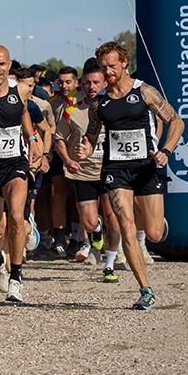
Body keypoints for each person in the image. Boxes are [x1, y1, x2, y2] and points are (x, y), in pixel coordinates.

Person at [78, 41, 183, 310]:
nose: (108, 71)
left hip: (146, 167)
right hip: (116, 169)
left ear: (124, 63)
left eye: (112, 66)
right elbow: (91, 136)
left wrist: (166, 151)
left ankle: (154, 222)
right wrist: (84, 148)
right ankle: (145, 289)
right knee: (125, 223)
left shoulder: (144, 92)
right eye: (103, 67)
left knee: (155, 233)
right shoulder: (99, 103)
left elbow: (176, 121)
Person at [0, 45, 42, 303]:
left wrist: (32, 138)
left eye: (2, 64)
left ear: (9, 64)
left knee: (15, 215)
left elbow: (23, 112)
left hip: (14, 163)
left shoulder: (20, 90)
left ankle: (16, 276)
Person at [55, 64, 122, 282]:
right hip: (82, 171)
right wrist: (67, 160)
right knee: (90, 221)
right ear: (82, 84)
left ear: (105, 83)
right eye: (87, 83)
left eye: (96, 82)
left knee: (113, 216)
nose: (91, 87)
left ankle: (110, 264)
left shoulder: (114, 106)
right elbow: (58, 139)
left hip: (109, 169)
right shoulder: (72, 109)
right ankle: (96, 230)